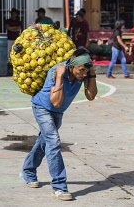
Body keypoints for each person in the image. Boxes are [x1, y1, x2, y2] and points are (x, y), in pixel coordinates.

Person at [20, 48, 97, 201]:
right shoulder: (56, 72)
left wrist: (91, 74)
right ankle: (59, 186)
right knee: (53, 143)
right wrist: (60, 77)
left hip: (58, 112)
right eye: (81, 70)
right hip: (42, 108)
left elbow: (90, 96)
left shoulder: (85, 72)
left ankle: (28, 171)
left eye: (85, 71)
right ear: (71, 66)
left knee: (44, 142)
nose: (83, 74)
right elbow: (55, 102)